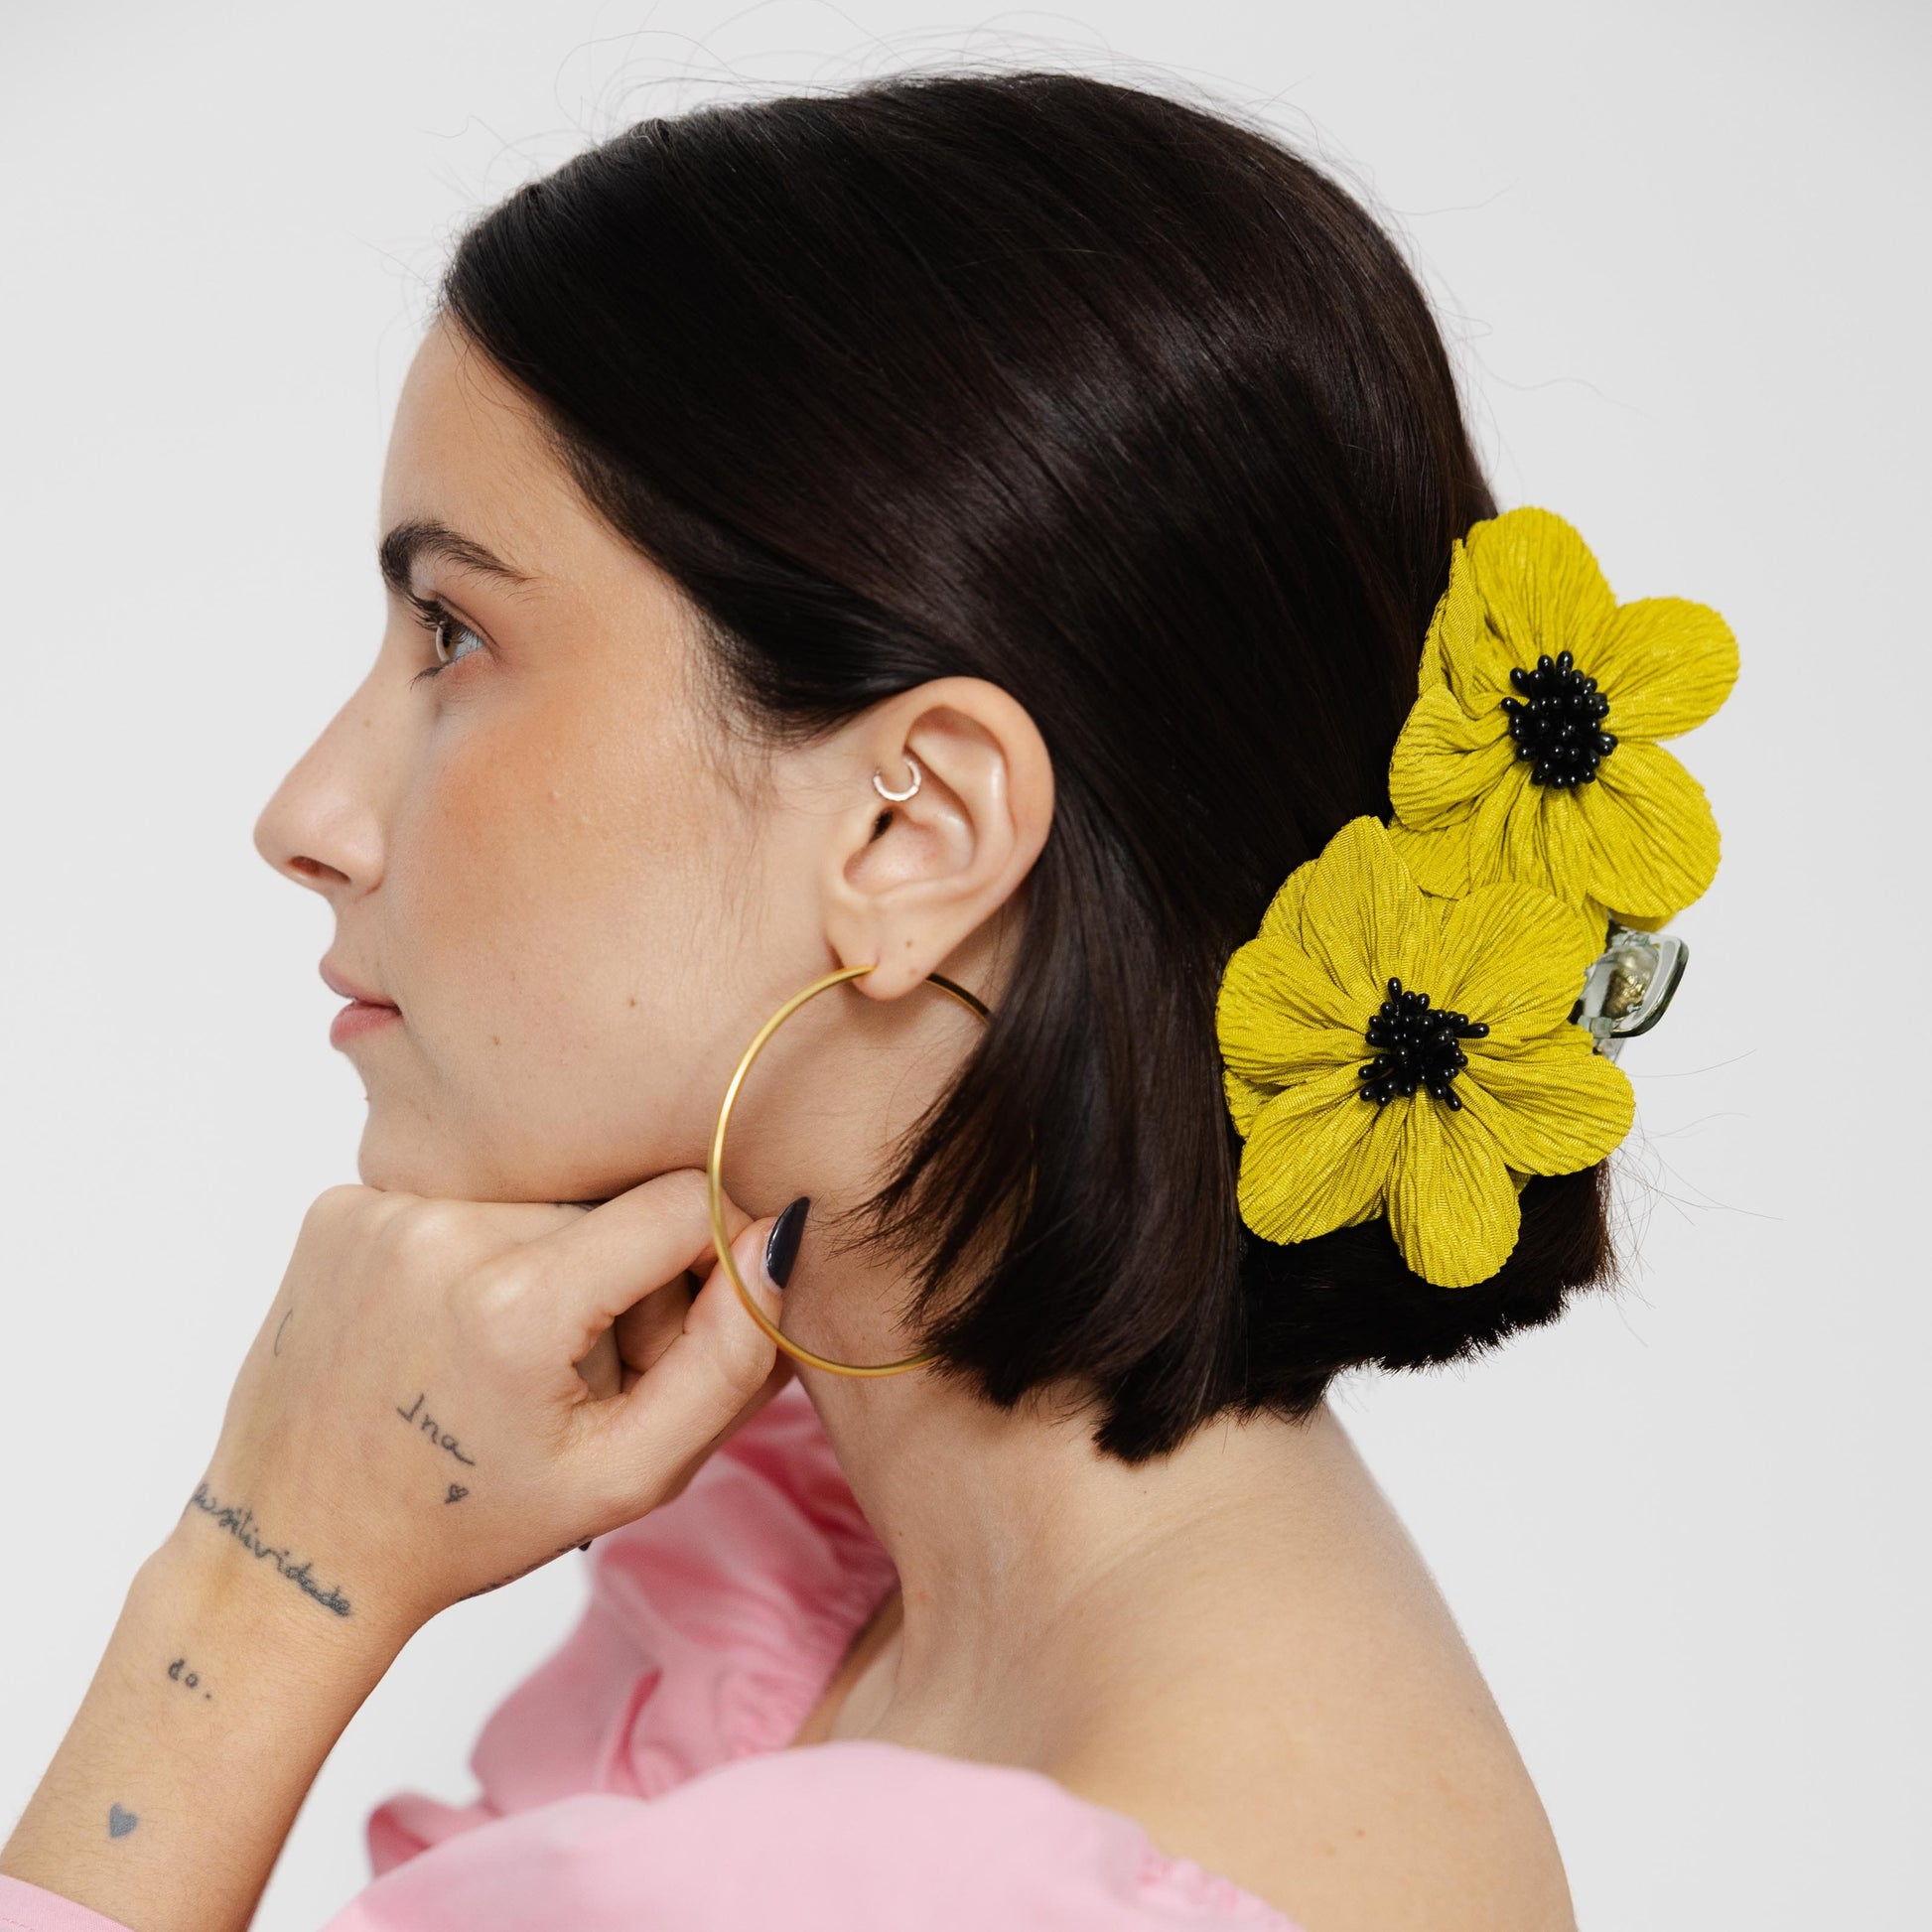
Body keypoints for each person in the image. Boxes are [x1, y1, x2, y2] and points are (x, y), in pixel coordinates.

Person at [0, 66, 1735, 1932]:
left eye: (455, 633)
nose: (307, 817)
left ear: (913, 828)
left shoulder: (916, 1890)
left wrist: (262, 1572)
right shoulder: (856, 1607)